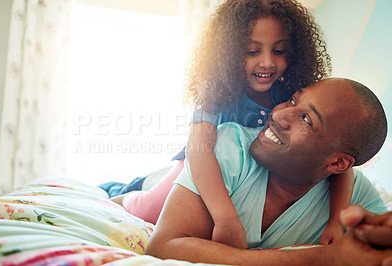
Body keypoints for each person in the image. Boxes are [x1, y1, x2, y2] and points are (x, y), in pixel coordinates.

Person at [104, 0, 351, 247]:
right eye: (252, 51)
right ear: (229, 51)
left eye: (279, 51)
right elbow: (198, 151)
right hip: (204, 164)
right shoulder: (216, 91)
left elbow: (339, 156)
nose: (267, 62)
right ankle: (122, 193)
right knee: (149, 209)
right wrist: (225, 218)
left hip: (246, 178)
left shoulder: (292, 96)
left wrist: (336, 221)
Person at [145, 78, 391, 265]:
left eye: (305, 119)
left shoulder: (358, 198)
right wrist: (317, 258)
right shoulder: (230, 146)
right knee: (141, 200)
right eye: (293, 100)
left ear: (338, 164)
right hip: (169, 174)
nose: (278, 113)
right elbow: (162, 247)